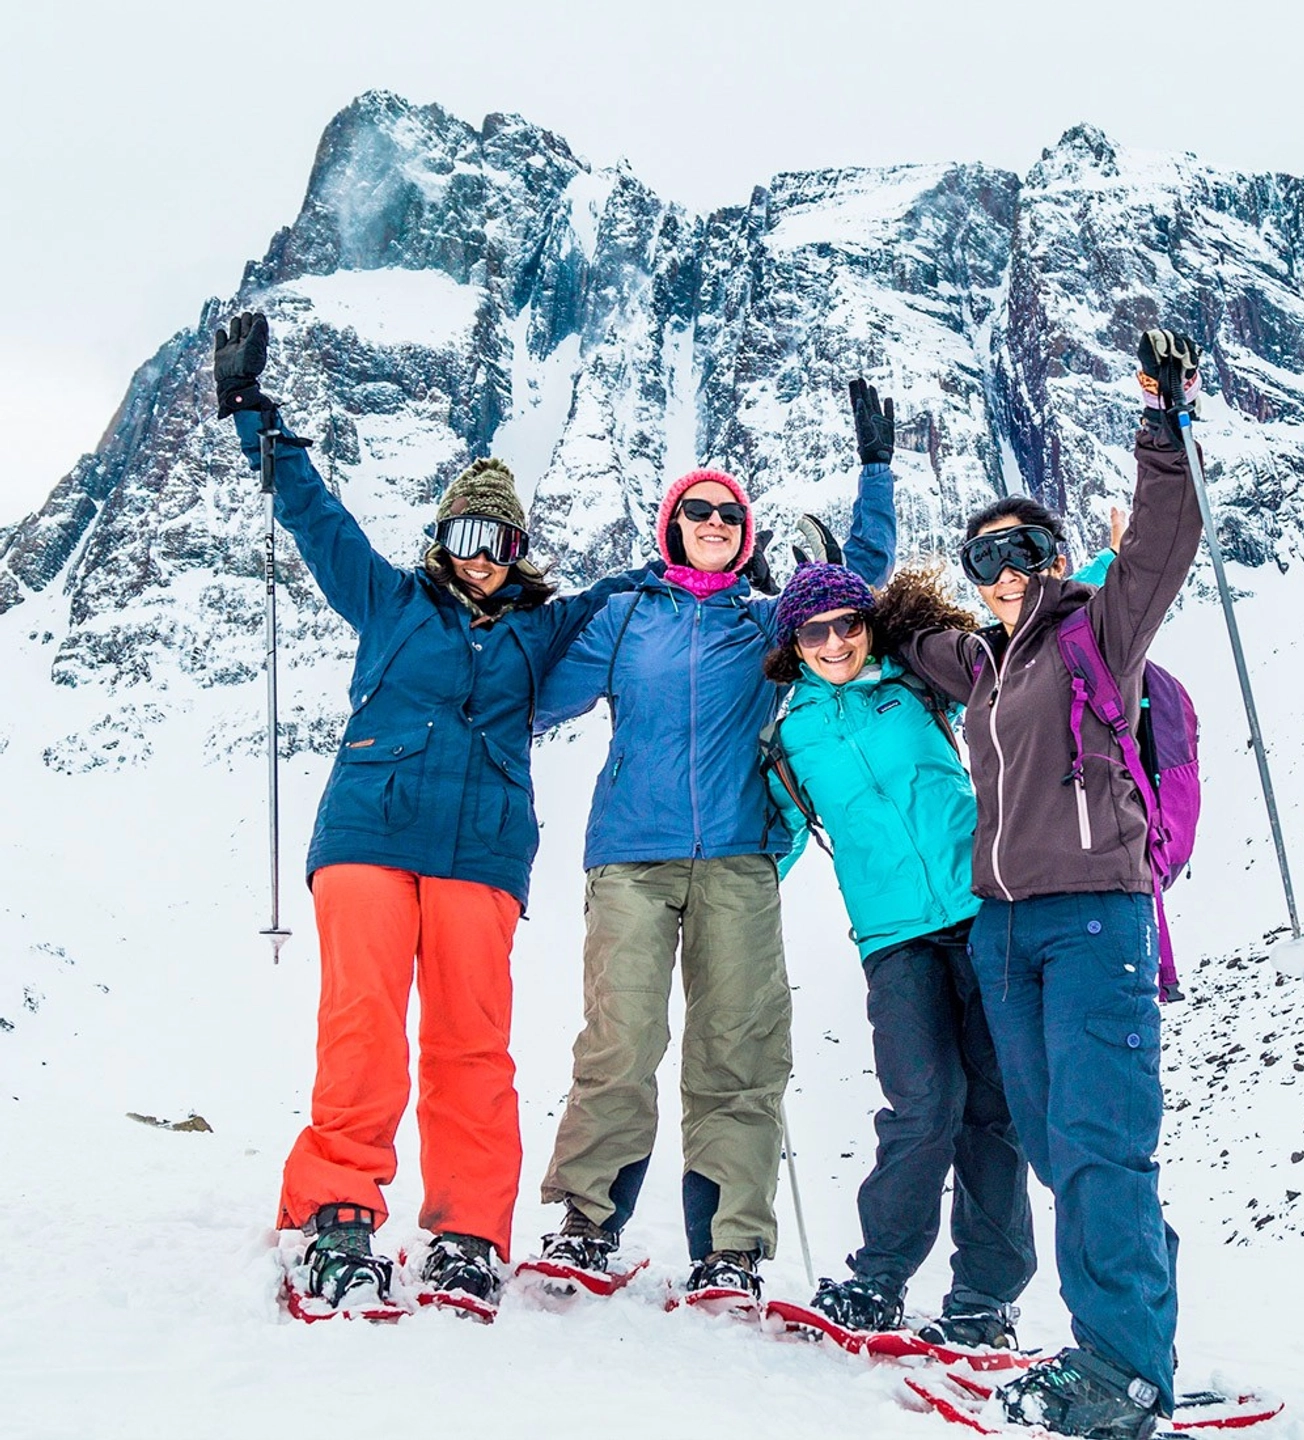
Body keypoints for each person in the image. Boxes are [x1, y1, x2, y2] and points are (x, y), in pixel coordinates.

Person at [212, 312, 642, 1311]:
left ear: (518, 549)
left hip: (480, 853)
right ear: (442, 538)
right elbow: (315, 516)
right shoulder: (393, 601)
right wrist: (251, 412)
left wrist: (699, 570)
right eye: (465, 535)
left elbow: (625, 593)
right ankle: (338, 1210)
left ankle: (466, 1231)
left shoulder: (542, 630)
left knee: (470, 1044)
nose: (480, 555)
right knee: (362, 1026)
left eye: (499, 540)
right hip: (369, 832)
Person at [899, 328, 1205, 1439]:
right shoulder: (979, 666)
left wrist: (1163, 422)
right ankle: (1138, 1333)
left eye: (1023, 549)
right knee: (1052, 1142)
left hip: (1093, 922)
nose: (1005, 573)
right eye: (983, 560)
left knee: (1098, 1140)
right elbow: (897, 637)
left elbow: (1165, 541)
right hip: (1004, 933)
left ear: (1056, 555)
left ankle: (1121, 1370)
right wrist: (823, 584)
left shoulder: (1097, 633)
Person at [530, 381, 898, 1299]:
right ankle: (586, 1222)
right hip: (630, 860)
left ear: (746, 535)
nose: (714, 522)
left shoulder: (765, 622)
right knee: (620, 1041)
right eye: (697, 510)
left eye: (730, 514)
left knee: (738, 1050)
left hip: (738, 858)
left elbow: (852, 594)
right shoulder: (626, 616)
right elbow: (535, 699)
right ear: (671, 526)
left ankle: (729, 1247)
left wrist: (876, 474)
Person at [758, 533, 1116, 1344]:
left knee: (994, 1110)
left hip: (983, 911)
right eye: (815, 632)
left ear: (869, 625)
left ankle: (984, 1301)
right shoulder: (788, 740)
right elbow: (779, 840)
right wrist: (719, 913)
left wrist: (1106, 570)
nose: (835, 642)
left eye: (848, 624)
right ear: (794, 644)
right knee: (923, 1104)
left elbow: (1022, 645)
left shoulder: (919, 684)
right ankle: (878, 1279)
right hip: (894, 940)